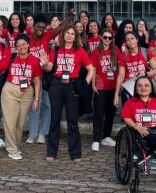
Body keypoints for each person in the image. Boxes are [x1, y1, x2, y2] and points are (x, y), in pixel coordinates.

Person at [43, 26, 94, 163]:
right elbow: (49, 67)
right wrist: (44, 63)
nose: (70, 36)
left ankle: (75, 153)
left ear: (75, 37)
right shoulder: (56, 50)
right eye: (68, 33)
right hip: (57, 85)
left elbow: (90, 69)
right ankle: (52, 151)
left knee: (72, 121)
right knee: (55, 119)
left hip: (72, 85)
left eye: (73, 34)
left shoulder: (80, 51)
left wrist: (84, 84)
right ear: (63, 35)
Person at [26, 11, 76, 144]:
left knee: (47, 104)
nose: (41, 30)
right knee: (35, 105)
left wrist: (71, 17)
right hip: (32, 77)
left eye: (43, 27)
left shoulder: (46, 36)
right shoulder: (27, 38)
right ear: (33, 26)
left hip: (47, 76)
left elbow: (60, 27)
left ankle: (43, 133)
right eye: (39, 27)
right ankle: (32, 133)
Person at [0, 34, 42, 160]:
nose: (22, 47)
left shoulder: (34, 60)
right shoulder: (11, 57)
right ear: (16, 47)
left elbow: (37, 81)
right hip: (10, 90)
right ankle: (11, 149)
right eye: (19, 45)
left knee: (20, 122)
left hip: (27, 92)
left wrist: (36, 99)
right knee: (10, 122)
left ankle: (15, 145)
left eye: (24, 44)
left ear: (28, 45)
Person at [121, 75, 156, 157]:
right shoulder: (130, 103)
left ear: (151, 89)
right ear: (136, 89)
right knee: (145, 135)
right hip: (137, 131)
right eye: (139, 86)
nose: (143, 88)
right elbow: (126, 117)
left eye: (146, 85)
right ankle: (155, 147)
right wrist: (137, 126)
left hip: (155, 129)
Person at [90, 28, 120, 151]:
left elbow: (120, 68)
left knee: (110, 113)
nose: (107, 40)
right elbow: (93, 69)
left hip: (113, 86)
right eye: (105, 37)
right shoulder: (96, 52)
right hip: (100, 86)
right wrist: (93, 85)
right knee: (98, 113)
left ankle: (106, 136)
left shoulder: (116, 50)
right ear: (101, 37)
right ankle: (96, 139)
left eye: (110, 38)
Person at [114, 32, 156, 107]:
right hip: (129, 87)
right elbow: (121, 75)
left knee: (144, 110)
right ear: (125, 42)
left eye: (132, 38)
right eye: (127, 40)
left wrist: (145, 74)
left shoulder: (146, 52)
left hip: (144, 86)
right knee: (129, 111)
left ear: (137, 40)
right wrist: (116, 94)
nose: (130, 41)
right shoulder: (123, 55)